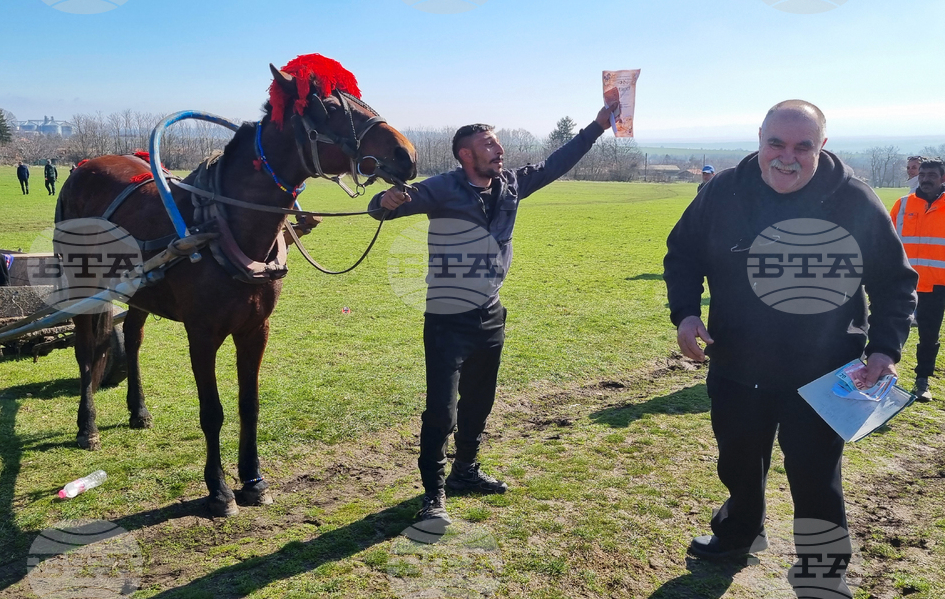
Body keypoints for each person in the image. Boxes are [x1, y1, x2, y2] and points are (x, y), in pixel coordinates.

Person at [664, 100, 917, 598]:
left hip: (822, 371)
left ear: (822, 145)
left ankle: (822, 572)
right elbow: (683, 253)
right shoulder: (722, 192)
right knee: (737, 461)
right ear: (759, 139)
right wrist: (686, 312)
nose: (787, 157)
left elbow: (895, 282)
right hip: (737, 361)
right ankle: (739, 533)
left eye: (803, 146)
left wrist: (885, 349)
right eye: (775, 143)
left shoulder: (855, 201)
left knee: (816, 478)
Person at [369, 103, 616, 525]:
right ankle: (433, 494)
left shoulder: (512, 184)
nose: (499, 149)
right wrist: (385, 199)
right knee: (441, 412)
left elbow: (558, 162)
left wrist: (596, 126)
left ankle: (466, 470)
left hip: (490, 314)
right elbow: (383, 207)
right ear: (466, 154)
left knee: (480, 403)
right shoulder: (442, 188)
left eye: (497, 142)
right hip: (447, 318)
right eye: (489, 144)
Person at [890, 158, 945, 403]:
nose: (925, 179)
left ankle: (922, 380)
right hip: (903, 283)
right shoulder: (902, 205)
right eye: (922, 174)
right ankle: (882, 379)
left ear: (942, 178)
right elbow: (886, 242)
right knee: (889, 331)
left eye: (931, 175)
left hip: (936, 285)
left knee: (929, 337)